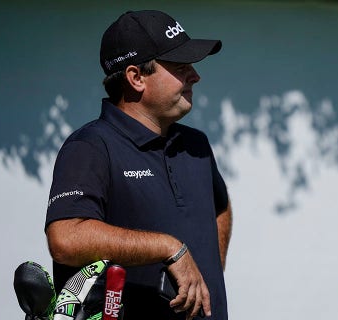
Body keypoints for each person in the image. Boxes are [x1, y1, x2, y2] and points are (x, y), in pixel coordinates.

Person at [45, 10, 232, 320]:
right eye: (180, 66)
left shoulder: (196, 144)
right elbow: (66, 237)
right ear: (136, 78)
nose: (195, 76)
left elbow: (221, 206)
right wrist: (167, 247)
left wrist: (211, 271)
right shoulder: (90, 146)